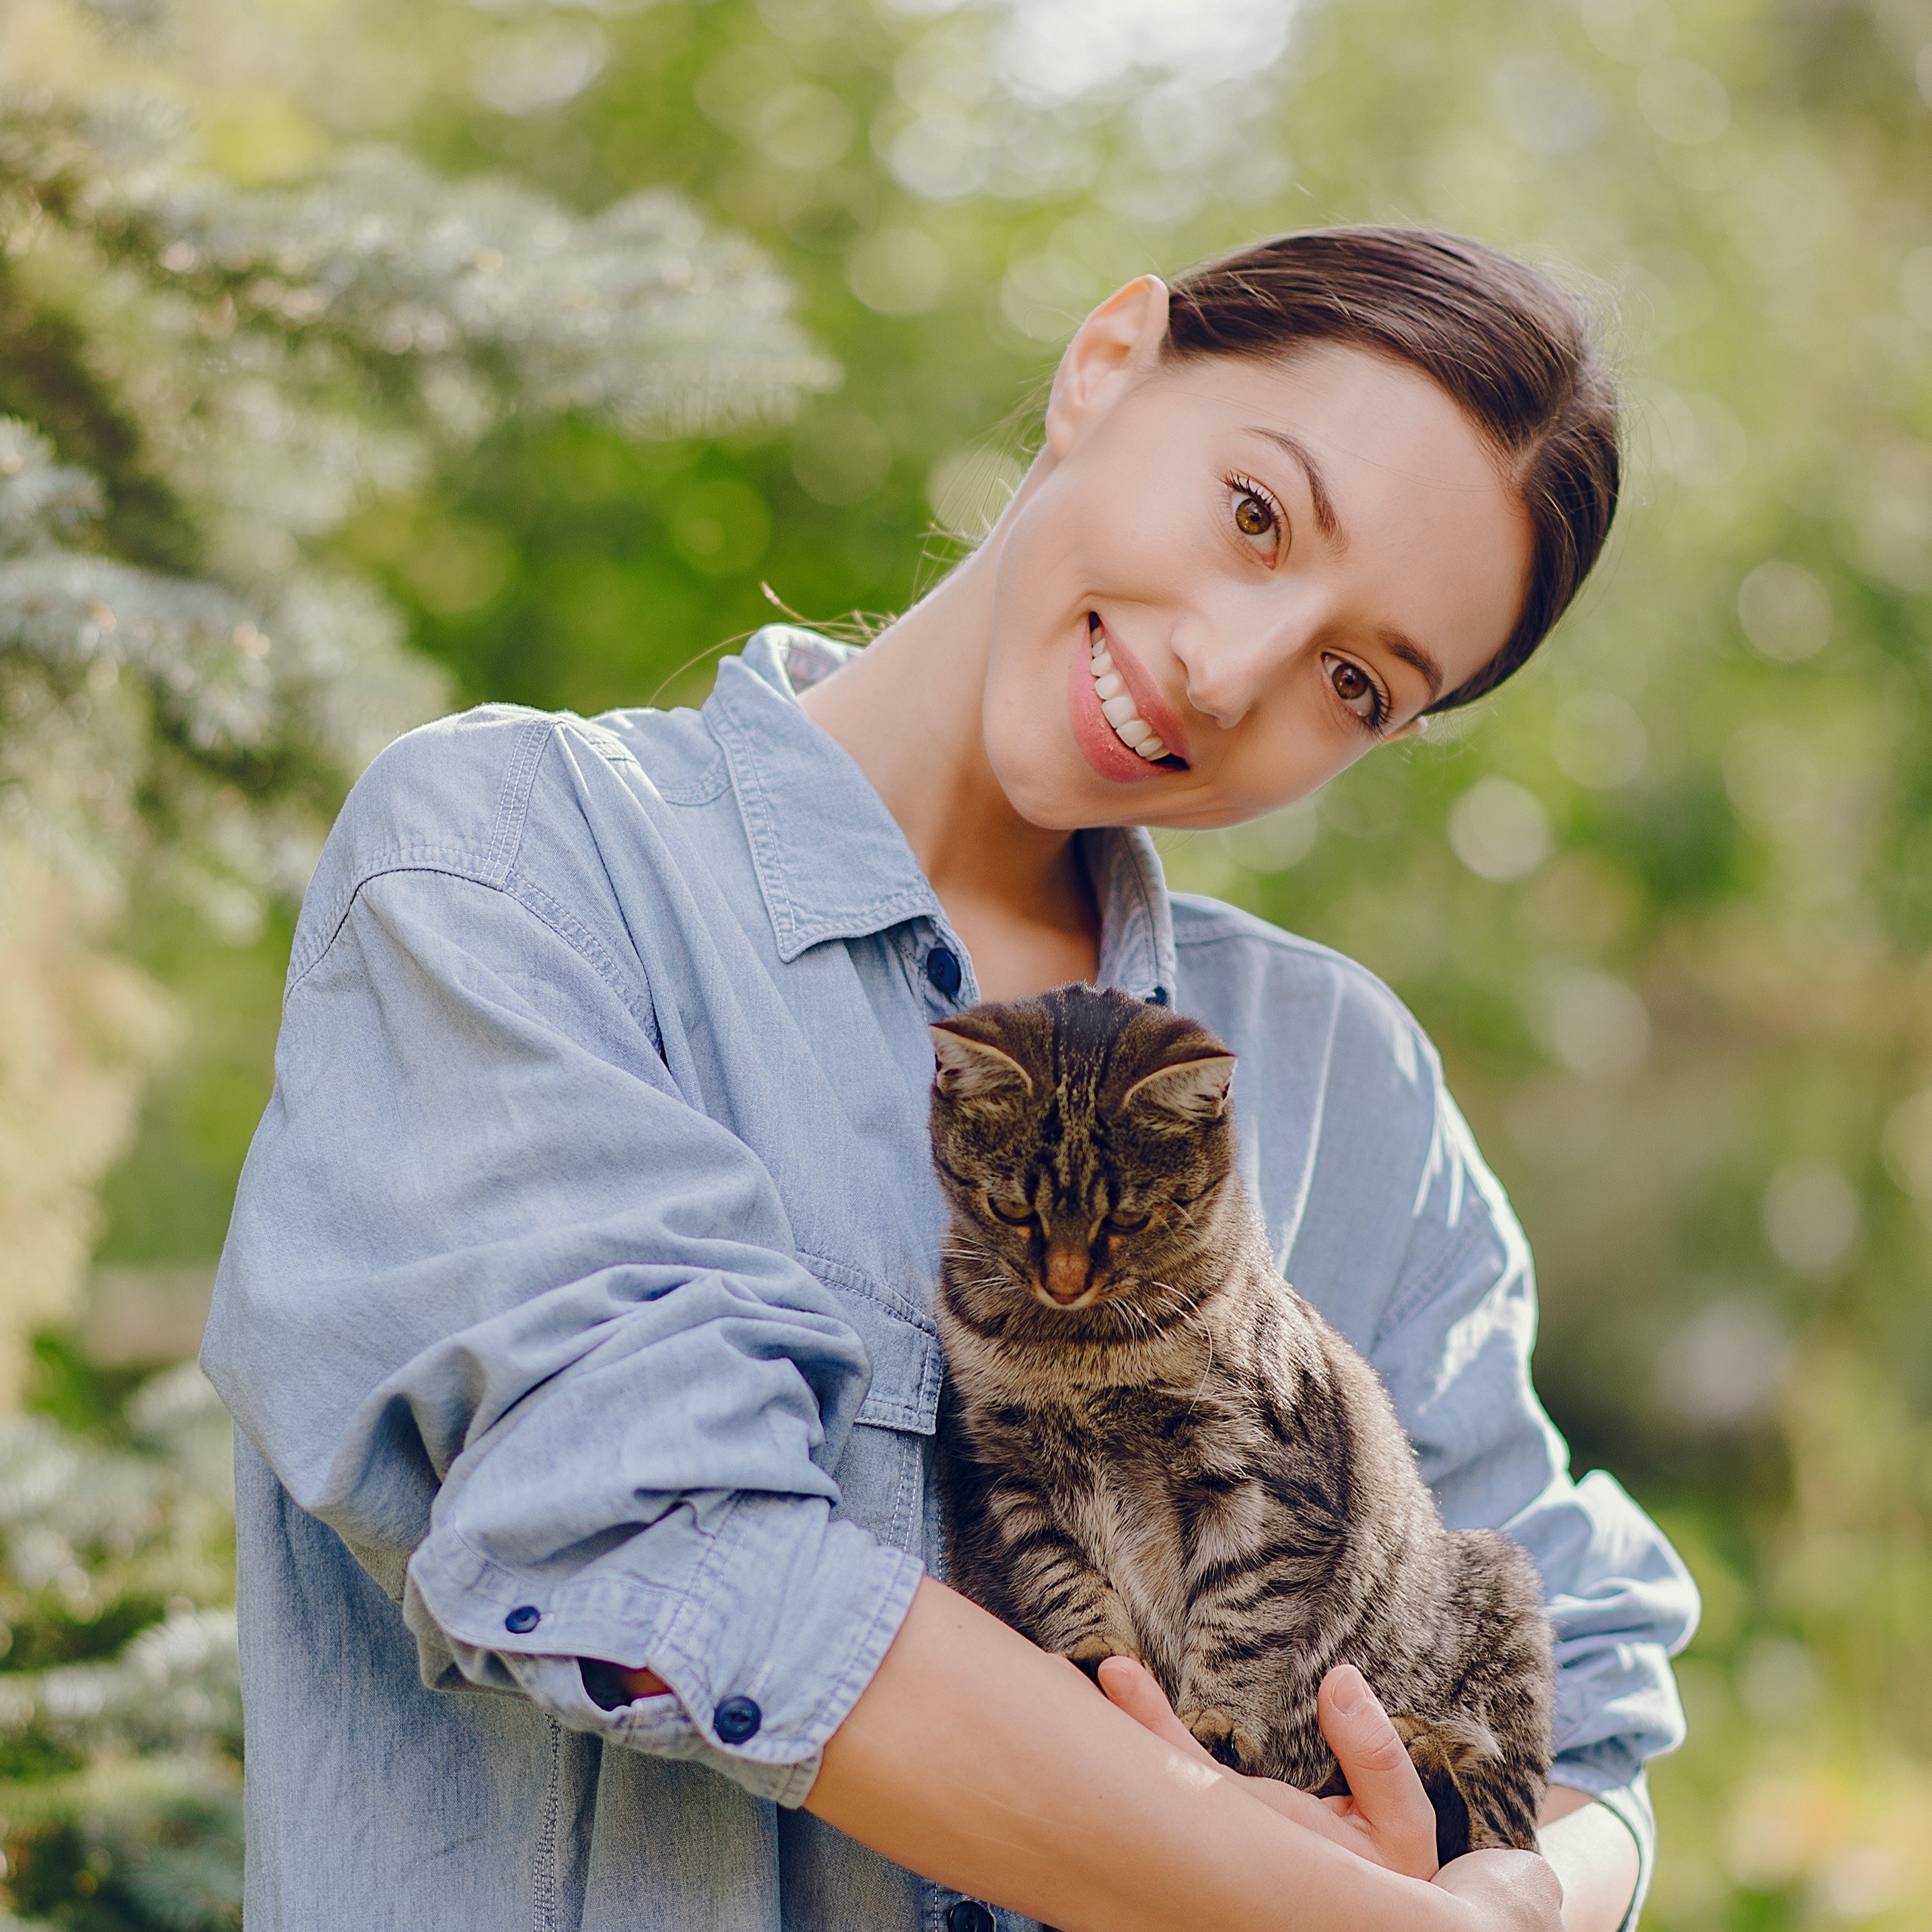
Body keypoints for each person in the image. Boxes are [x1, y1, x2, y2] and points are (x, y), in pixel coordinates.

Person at [203, 227, 1698, 1932]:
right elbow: (661, 1536)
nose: (1228, 670)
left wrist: (1518, 1899)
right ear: (1108, 363)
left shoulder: (1337, 1079)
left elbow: (1584, 1674)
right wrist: (1319, 1907)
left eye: (1356, 681)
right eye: (1254, 513)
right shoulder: (518, 867)